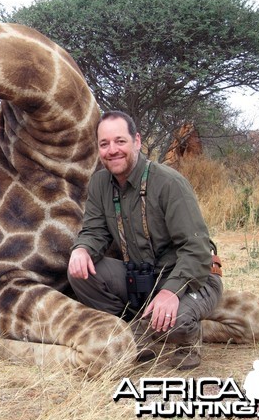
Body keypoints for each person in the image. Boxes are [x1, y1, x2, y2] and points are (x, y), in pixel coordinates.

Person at [67, 110, 223, 370]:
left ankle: (187, 338)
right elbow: (94, 231)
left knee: (175, 322)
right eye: (104, 144)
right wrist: (82, 249)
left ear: (137, 141)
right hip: (143, 278)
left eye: (120, 141)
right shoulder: (99, 183)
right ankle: (136, 329)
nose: (112, 150)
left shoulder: (169, 182)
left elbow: (197, 250)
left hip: (194, 278)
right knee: (80, 274)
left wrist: (170, 292)